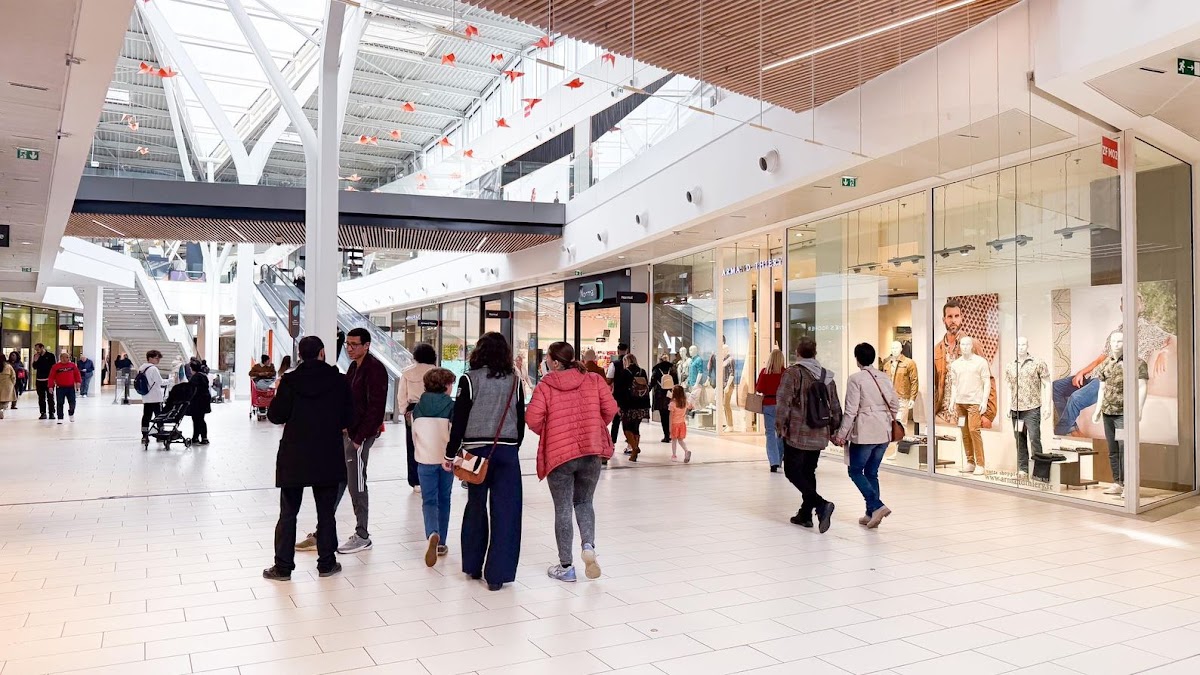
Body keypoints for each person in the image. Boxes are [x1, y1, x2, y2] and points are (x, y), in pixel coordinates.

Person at [262, 336, 354, 582]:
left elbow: (276, 416)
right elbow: (349, 416)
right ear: (322, 352)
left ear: (300, 355)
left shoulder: (290, 380)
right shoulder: (338, 380)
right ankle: (326, 564)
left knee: (288, 512)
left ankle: (282, 567)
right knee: (326, 513)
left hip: (294, 454)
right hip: (328, 452)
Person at [527, 342, 617, 583]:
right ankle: (588, 546)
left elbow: (533, 418)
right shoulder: (594, 380)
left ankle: (566, 566)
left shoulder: (546, 386)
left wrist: (551, 431)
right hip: (591, 450)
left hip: (560, 456)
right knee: (585, 501)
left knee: (563, 507)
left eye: (547, 358)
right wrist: (595, 426)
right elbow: (610, 408)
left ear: (555, 362)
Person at [443, 332, 525, 592]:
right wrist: (513, 446)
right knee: (507, 512)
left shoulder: (469, 378)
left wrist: (450, 452)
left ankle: (473, 565)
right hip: (507, 451)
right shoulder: (515, 381)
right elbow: (520, 419)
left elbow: (460, 418)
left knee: (476, 506)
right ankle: (497, 575)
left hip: (475, 453)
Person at [775, 337, 841, 533]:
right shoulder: (826, 376)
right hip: (819, 432)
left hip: (797, 432)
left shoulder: (793, 373)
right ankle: (805, 515)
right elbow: (835, 405)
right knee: (808, 472)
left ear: (798, 352)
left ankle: (821, 504)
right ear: (815, 353)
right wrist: (835, 430)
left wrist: (780, 426)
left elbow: (783, 402)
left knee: (792, 471)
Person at [834, 343, 900, 529]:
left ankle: (877, 505)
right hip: (885, 430)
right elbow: (894, 403)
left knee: (855, 471)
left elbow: (851, 410)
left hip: (865, 432)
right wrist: (888, 418)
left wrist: (841, 434)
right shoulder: (884, 376)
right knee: (872, 472)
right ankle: (870, 513)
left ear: (857, 358)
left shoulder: (856, 379)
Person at [339, 327, 389, 554]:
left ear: (367, 345)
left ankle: (362, 534)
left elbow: (376, 408)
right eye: (347, 344)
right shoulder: (353, 367)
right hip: (349, 432)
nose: (349, 348)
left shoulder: (375, 369)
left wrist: (359, 439)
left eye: (354, 344)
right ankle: (324, 527)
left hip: (360, 436)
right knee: (341, 480)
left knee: (356, 483)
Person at [411, 367, 457, 567]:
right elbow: (455, 435)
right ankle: (441, 543)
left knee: (428, 501)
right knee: (444, 500)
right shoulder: (452, 407)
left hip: (424, 460)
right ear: (446, 386)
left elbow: (415, 436)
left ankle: (432, 533)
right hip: (446, 461)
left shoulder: (417, 408)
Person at [400, 343, 438, 494]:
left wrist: (404, 410)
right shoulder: (436, 371)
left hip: (413, 409)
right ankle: (431, 477)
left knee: (412, 444)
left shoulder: (407, 373)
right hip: (432, 407)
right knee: (432, 443)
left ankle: (415, 481)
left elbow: (402, 394)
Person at [614, 353, 651, 461]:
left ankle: (634, 448)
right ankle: (634, 453)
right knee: (636, 428)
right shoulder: (642, 371)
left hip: (628, 405)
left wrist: (619, 404)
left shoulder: (625, 372)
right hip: (642, 404)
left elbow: (619, 390)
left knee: (626, 428)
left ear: (626, 361)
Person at [756, 349, 786, 472]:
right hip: (782, 405)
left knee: (770, 434)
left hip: (768, 404)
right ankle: (779, 459)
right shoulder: (786, 373)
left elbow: (759, 388)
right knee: (781, 433)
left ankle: (773, 462)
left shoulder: (765, 372)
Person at [138, 350, 167, 444]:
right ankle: (160, 434)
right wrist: (171, 380)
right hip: (156, 397)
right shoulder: (153, 369)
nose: (158, 360)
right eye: (156, 358)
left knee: (146, 416)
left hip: (146, 397)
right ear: (150, 358)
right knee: (159, 416)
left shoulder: (142, 368)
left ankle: (144, 435)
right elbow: (160, 382)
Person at [650, 352, 678, 443]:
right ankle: (673, 434)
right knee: (672, 416)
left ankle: (666, 435)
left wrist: (646, 391)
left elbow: (652, 382)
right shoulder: (672, 368)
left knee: (664, 416)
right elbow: (677, 382)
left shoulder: (656, 369)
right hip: (671, 394)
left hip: (660, 395)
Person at [605, 343, 629, 448]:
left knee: (616, 421)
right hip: (630, 397)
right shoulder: (632, 364)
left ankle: (613, 442)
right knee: (628, 421)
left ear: (618, 350)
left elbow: (609, 380)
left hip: (618, 395)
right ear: (627, 350)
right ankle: (630, 443)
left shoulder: (614, 364)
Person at [48, 353, 82, 424]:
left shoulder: (72, 365)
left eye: (68, 357)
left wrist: (78, 382)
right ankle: (60, 417)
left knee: (72, 402)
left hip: (70, 387)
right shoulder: (56, 366)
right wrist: (50, 386)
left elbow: (77, 374)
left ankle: (71, 413)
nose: (66, 359)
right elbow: (51, 377)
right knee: (60, 403)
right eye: (64, 357)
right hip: (60, 388)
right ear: (61, 358)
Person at [187, 358, 212, 445]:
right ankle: (198, 437)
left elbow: (191, 390)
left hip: (197, 402)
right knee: (200, 419)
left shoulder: (195, 377)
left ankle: (200, 437)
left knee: (197, 420)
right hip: (204, 401)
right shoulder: (203, 376)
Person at [667, 385, 693, 463]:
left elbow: (671, 416)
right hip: (682, 424)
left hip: (674, 424)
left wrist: (669, 426)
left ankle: (674, 455)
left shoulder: (672, 404)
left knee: (674, 440)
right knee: (680, 440)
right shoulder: (685, 402)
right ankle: (686, 451)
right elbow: (691, 407)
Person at [31, 343, 56, 420]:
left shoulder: (51, 356)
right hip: (39, 380)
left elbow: (53, 367)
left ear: (42, 348)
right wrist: (35, 360)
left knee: (50, 397)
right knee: (41, 398)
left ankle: (51, 413)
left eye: (38, 349)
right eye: (36, 349)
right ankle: (43, 413)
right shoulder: (36, 356)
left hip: (48, 380)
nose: (37, 351)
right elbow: (34, 367)